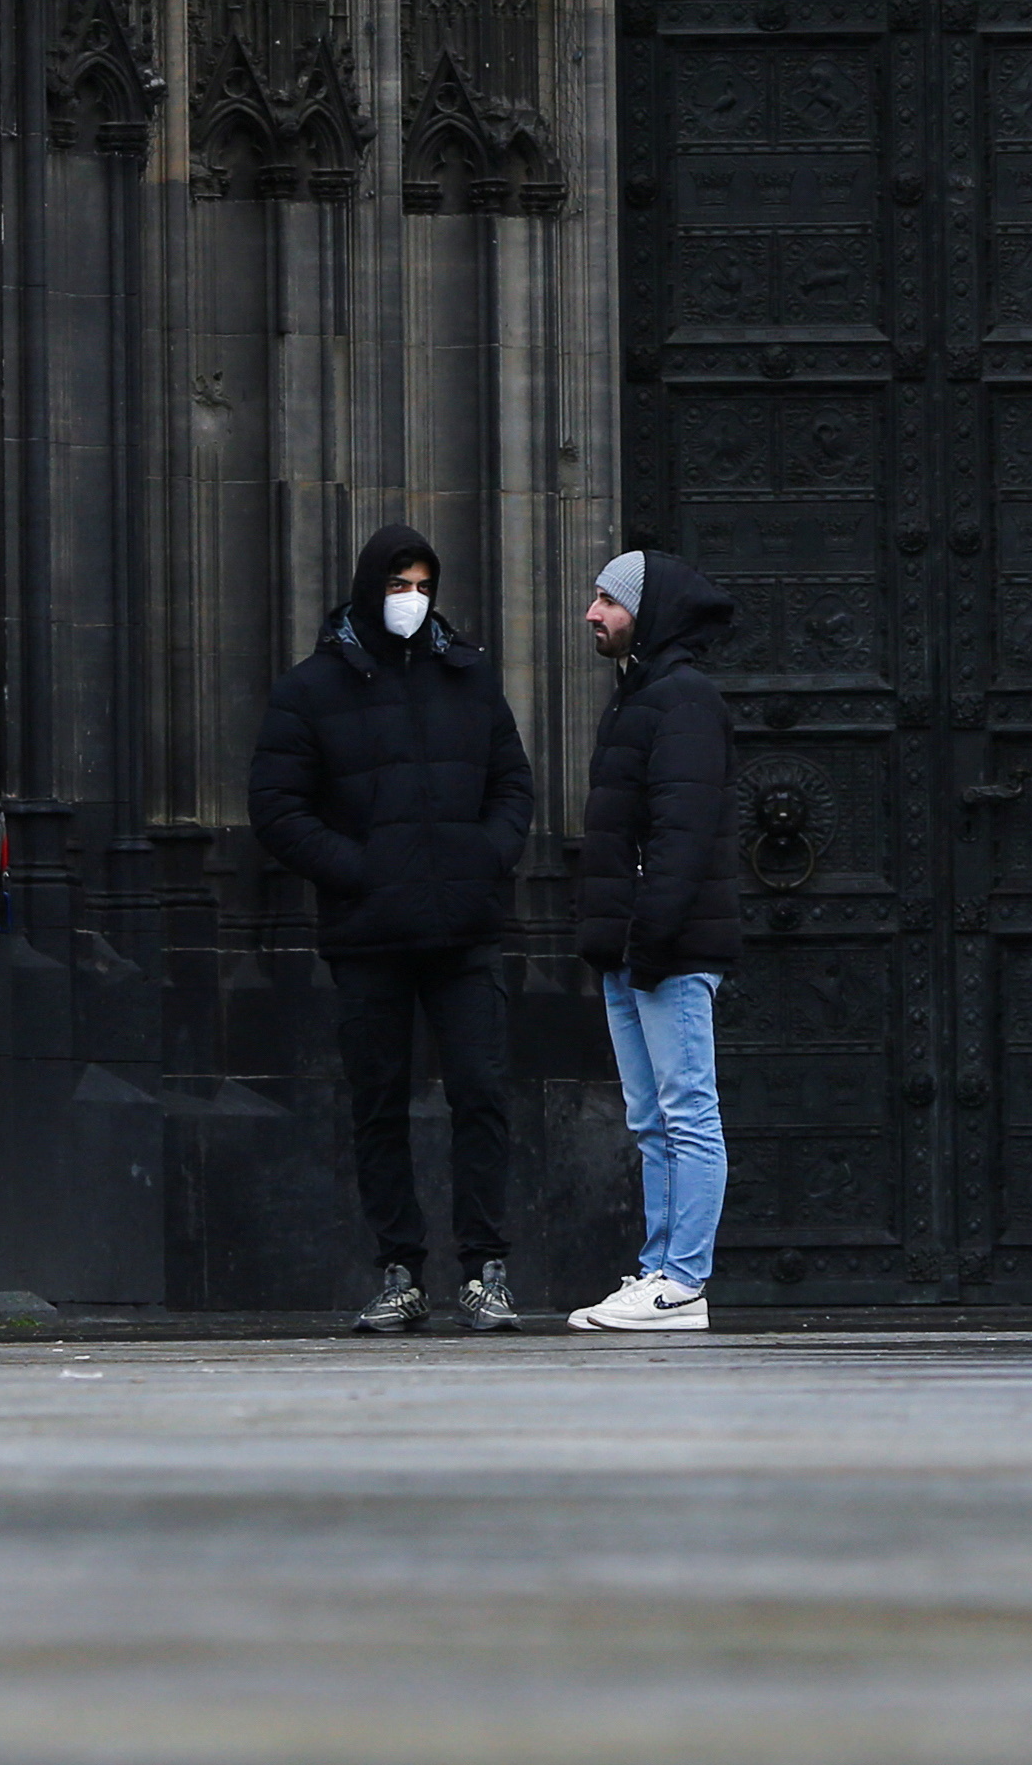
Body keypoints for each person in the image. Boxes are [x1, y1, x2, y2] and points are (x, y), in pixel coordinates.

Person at [250, 525, 535, 1333]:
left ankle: (485, 1268)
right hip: (371, 931)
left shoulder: (468, 676)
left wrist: (486, 855)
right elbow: (276, 807)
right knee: (379, 1103)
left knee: (481, 1092)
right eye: (398, 585)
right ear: (369, 588)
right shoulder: (312, 688)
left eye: (422, 584)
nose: (412, 600)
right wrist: (360, 868)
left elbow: (512, 783)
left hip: (463, 924)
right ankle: (399, 1269)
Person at [566, 552, 740, 1334]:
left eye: (608, 598)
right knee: (651, 1118)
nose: (592, 613)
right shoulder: (640, 696)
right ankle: (659, 1269)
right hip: (634, 944)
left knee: (686, 1110)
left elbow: (683, 829)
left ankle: (685, 1278)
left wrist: (652, 935)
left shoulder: (684, 700)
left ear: (648, 609)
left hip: (665, 944)